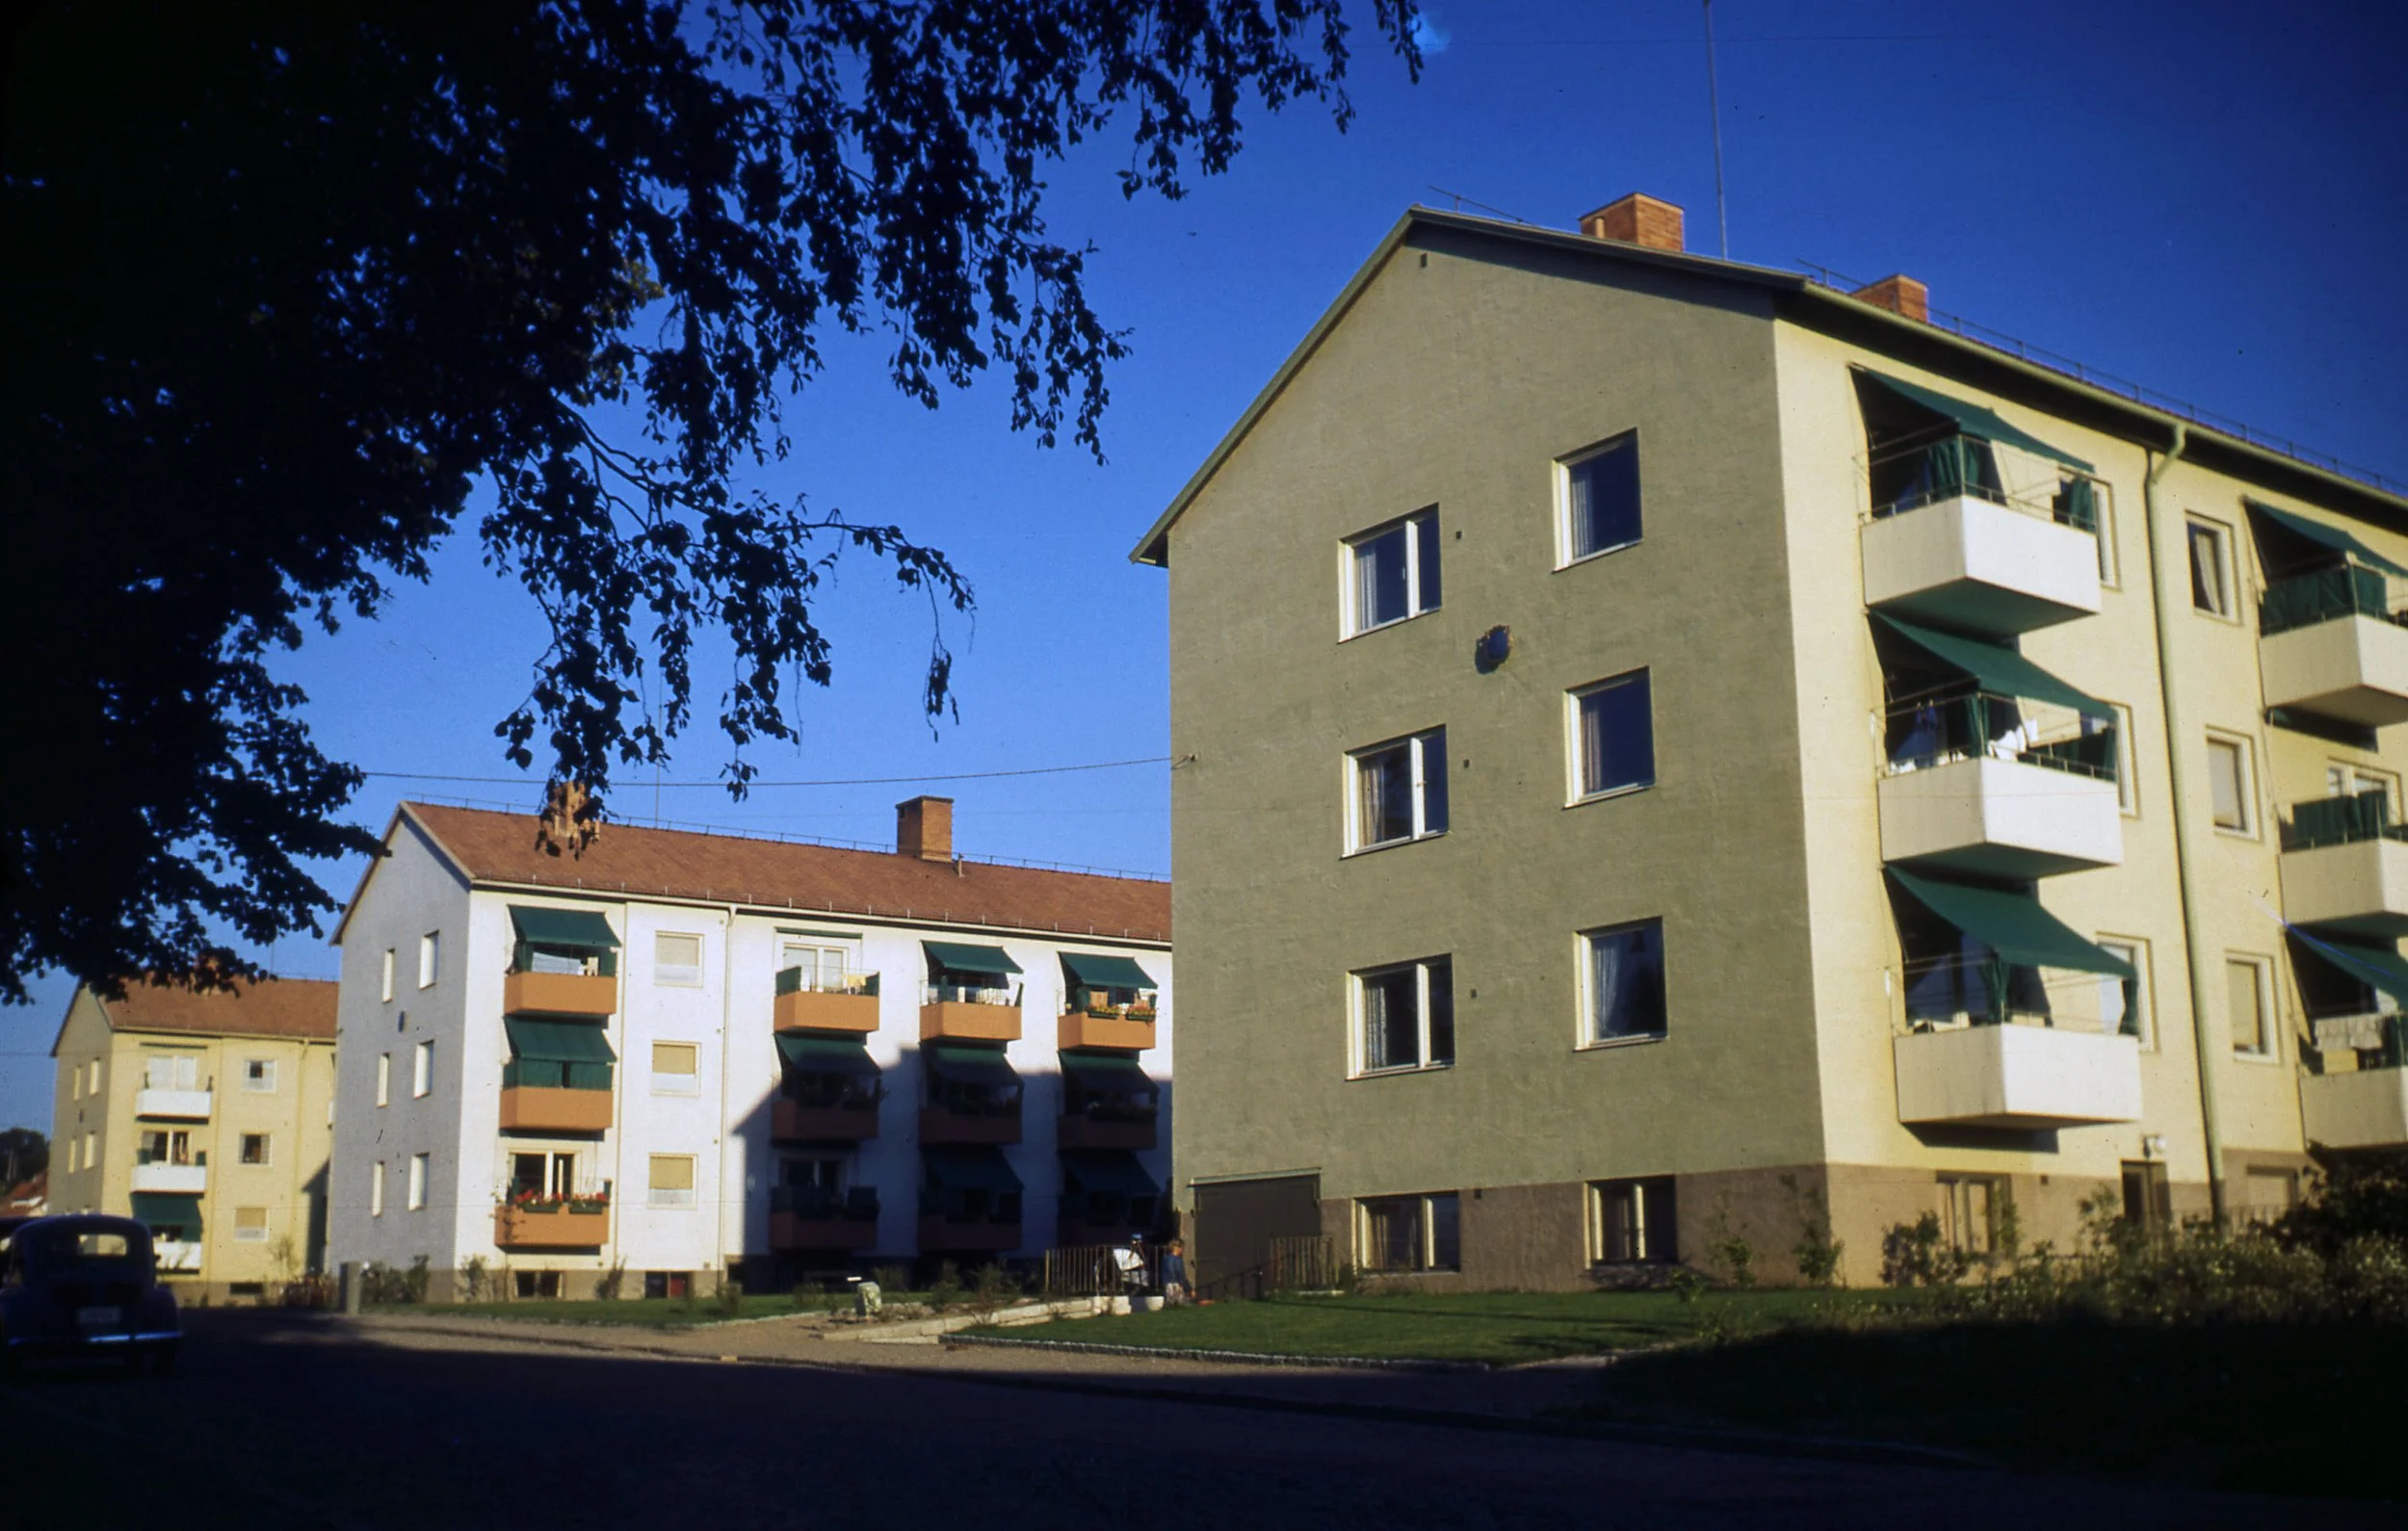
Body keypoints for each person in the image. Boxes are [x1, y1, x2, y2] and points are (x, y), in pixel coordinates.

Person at [1159, 1238, 1191, 1307]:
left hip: (1167, 1283)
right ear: (1176, 1248)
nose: (1182, 1250)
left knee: (1170, 1303)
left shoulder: (1165, 1259)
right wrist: (1184, 1285)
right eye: (1182, 1248)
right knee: (1180, 1303)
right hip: (1176, 1283)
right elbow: (1180, 1273)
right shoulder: (1177, 1260)